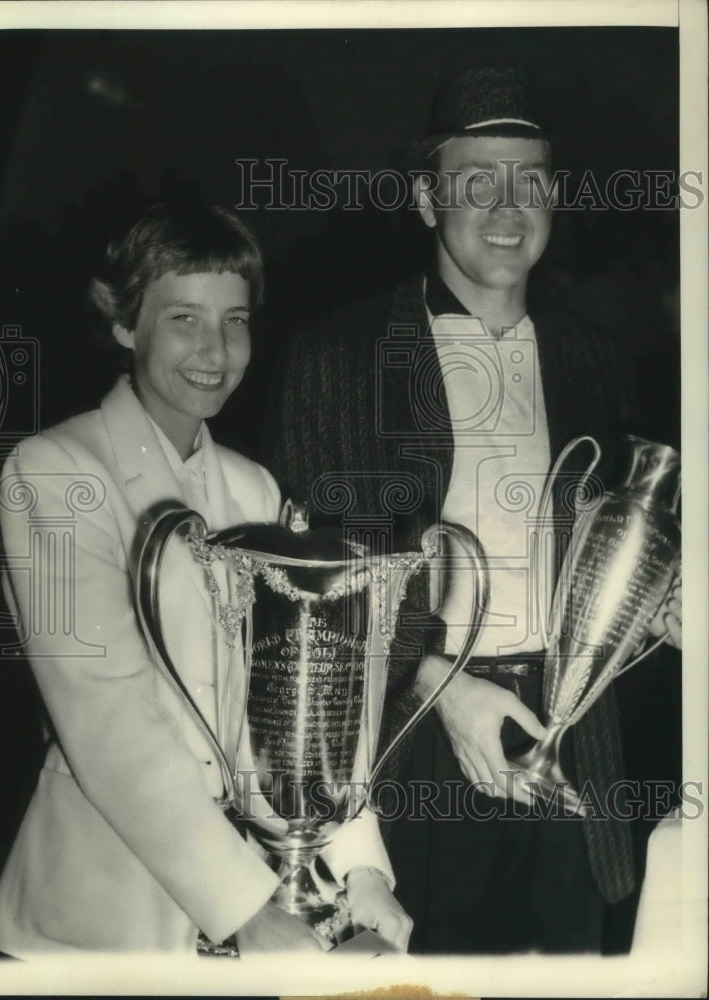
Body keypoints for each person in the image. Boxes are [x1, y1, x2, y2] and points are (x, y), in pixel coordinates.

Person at [267, 68, 682, 954]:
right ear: (426, 200)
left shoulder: (600, 360)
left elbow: (624, 549)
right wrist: (441, 691)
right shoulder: (338, 355)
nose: (507, 208)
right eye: (475, 182)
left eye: (529, 180)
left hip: (575, 746)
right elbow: (311, 599)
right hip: (410, 741)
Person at [0, 202, 411, 957]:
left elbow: (310, 703)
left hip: (259, 905)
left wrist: (361, 869)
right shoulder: (53, 472)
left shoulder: (254, 489)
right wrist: (245, 910)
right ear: (124, 325)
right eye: (184, 317)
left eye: (235, 320)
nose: (216, 348)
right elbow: (106, 722)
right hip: (97, 922)